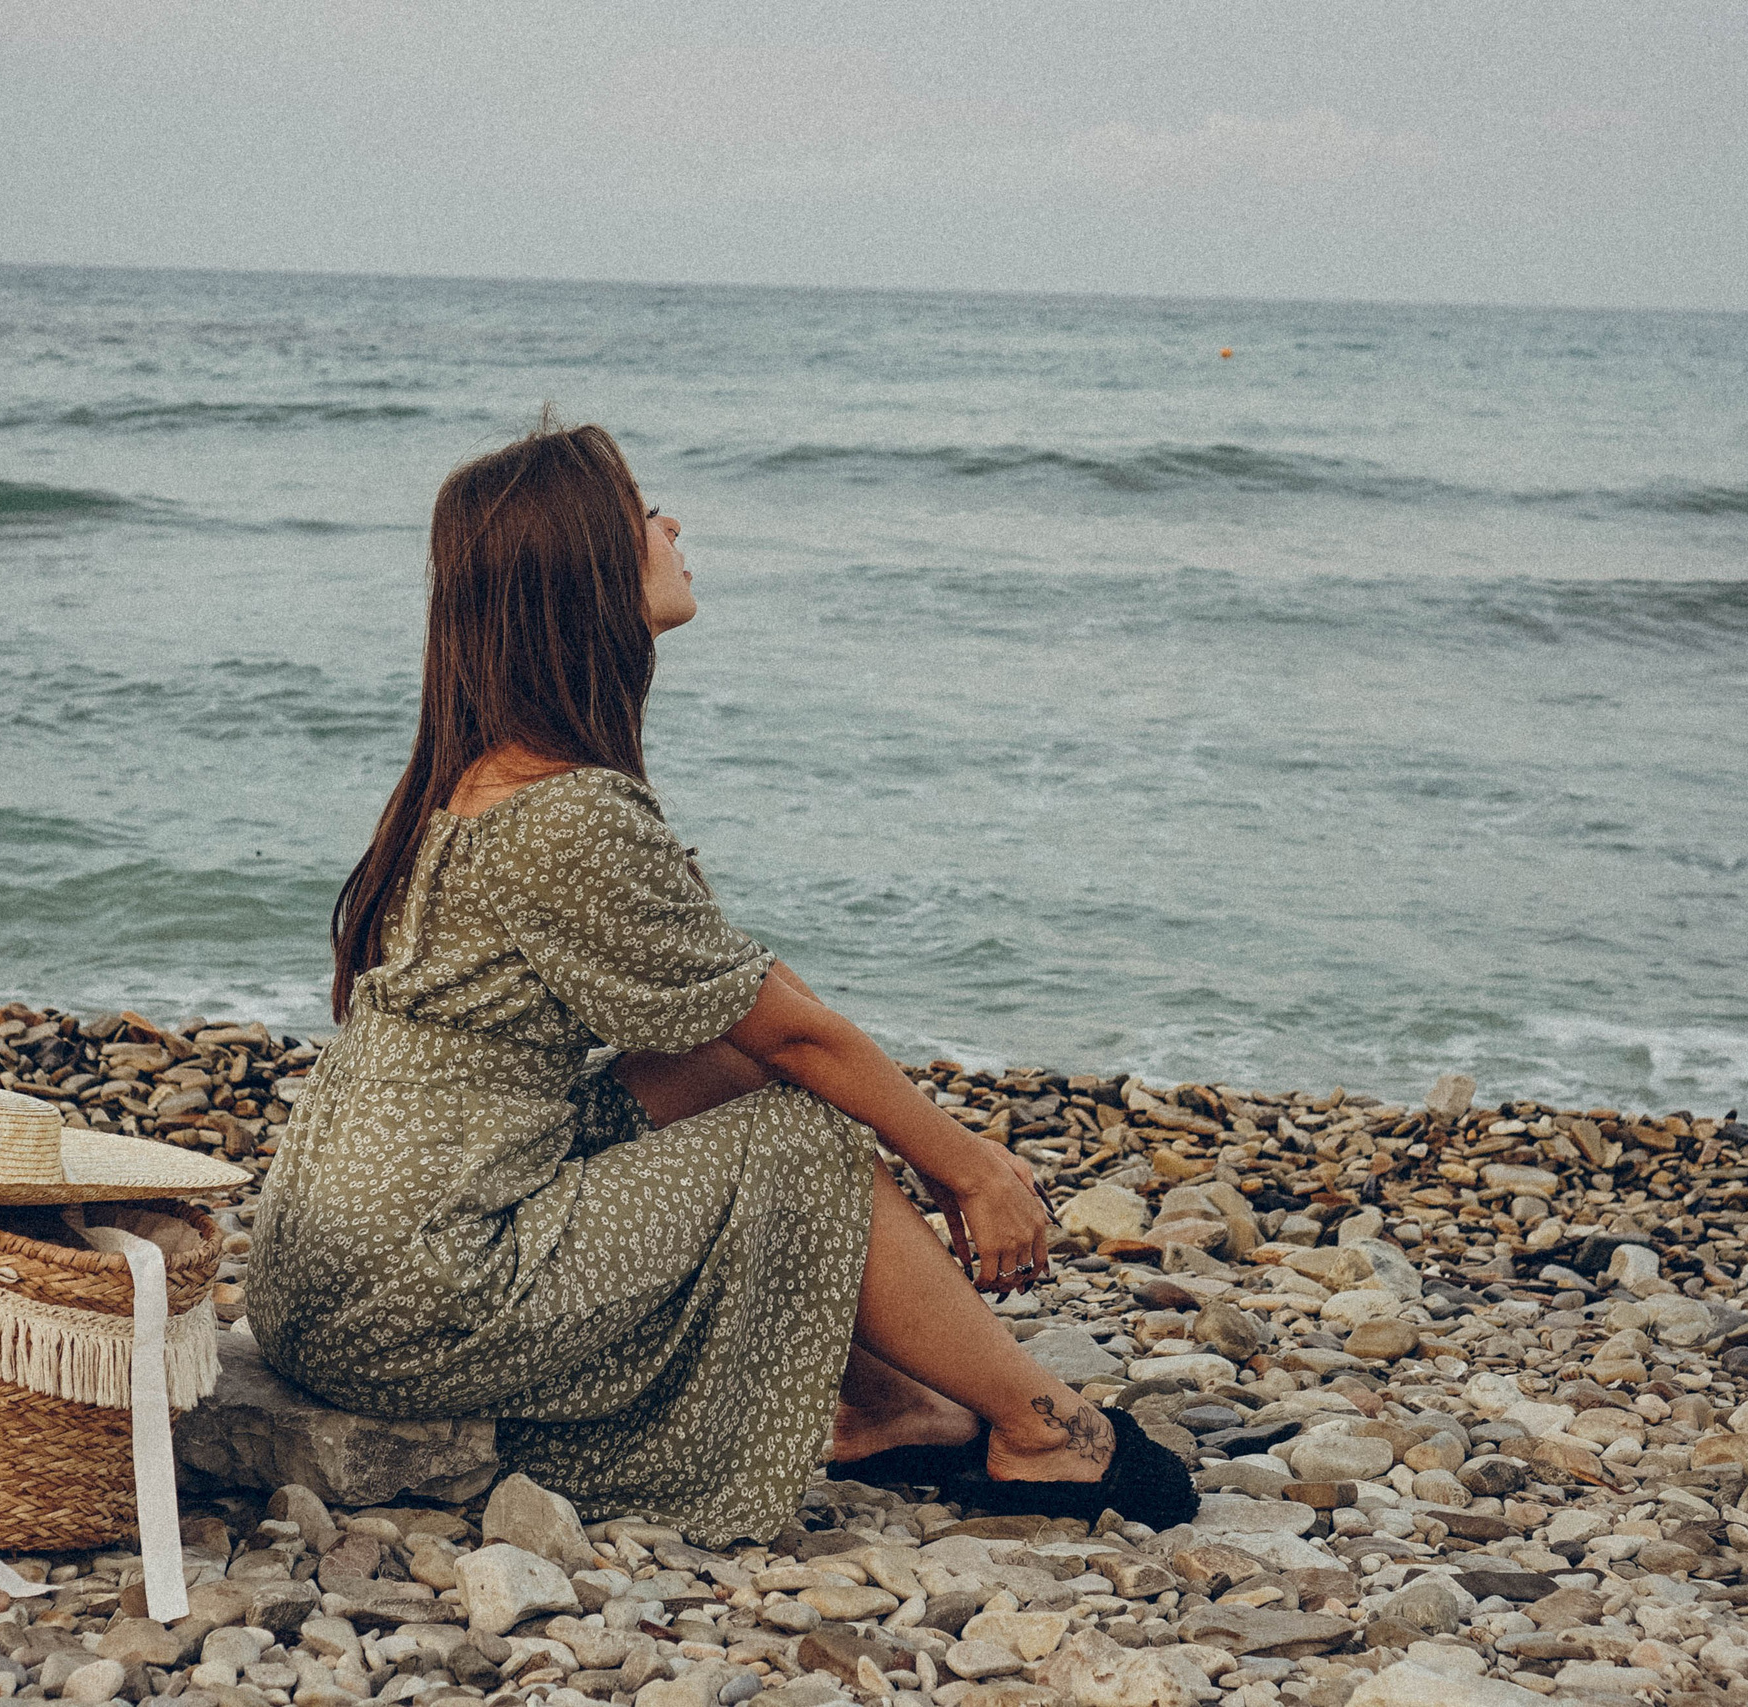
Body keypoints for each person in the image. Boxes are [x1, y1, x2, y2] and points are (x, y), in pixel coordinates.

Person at [248, 419, 1192, 1546]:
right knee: (797, 1135)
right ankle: (1044, 1430)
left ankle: (883, 1404)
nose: (672, 524)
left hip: (326, 1274)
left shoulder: (482, 777)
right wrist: (970, 1167)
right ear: (585, 573)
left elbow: (743, 1004)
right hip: (414, 1298)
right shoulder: (571, 815)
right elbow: (800, 1043)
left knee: (715, 1059)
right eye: (642, 511)